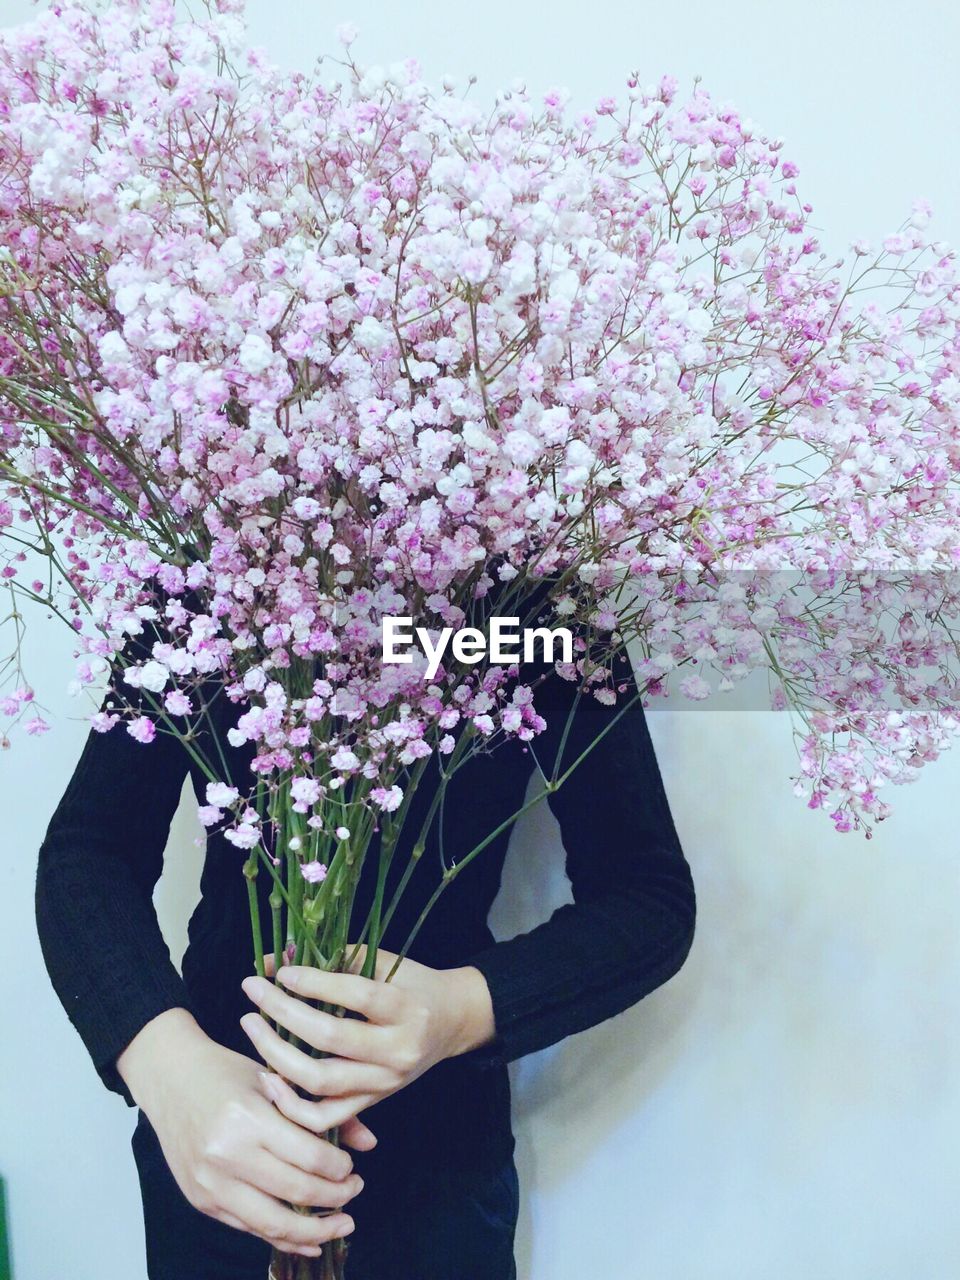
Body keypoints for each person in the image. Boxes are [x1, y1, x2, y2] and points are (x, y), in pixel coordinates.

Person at [34, 608, 697, 1280]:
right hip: (220, 1139)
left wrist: (460, 1009)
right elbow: (88, 854)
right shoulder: (205, 570)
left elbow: (649, 897)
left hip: (440, 1170)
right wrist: (168, 1069)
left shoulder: (531, 607)